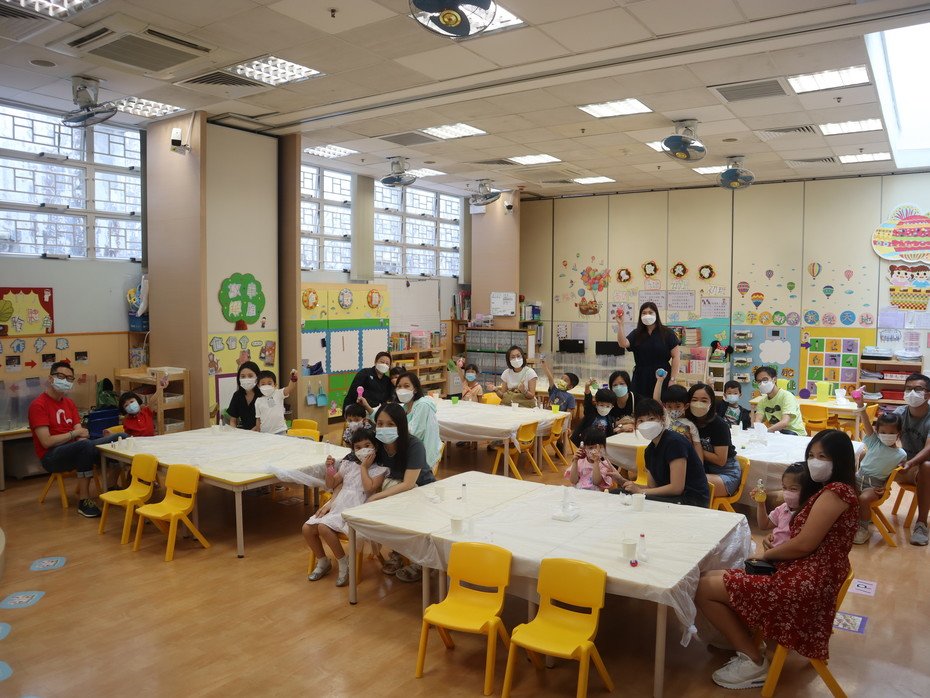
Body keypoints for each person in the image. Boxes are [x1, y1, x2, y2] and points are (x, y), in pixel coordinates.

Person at [695, 430, 858, 690]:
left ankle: (753, 660)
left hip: (807, 583)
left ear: (840, 460)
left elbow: (805, 543)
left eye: (823, 456)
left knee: (703, 588)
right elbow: (805, 538)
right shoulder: (829, 490)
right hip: (804, 572)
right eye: (812, 455)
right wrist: (777, 544)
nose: (815, 462)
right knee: (709, 578)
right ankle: (745, 643)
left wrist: (767, 554)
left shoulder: (836, 492)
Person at [28, 361, 123, 518]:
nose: (65, 381)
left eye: (69, 378)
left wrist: (79, 435)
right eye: (61, 376)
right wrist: (74, 434)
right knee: (84, 446)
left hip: (76, 448)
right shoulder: (38, 405)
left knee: (121, 438)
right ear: (51, 379)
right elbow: (47, 442)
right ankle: (84, 501)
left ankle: (111, 487)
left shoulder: (69, 403)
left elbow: (81, 433)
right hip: (51, 456)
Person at [303, 428, 388, 586]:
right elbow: (331, 484)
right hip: (340, 504)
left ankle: (343, 563)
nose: (363, 450)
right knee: (307, 528)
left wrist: (364, 467)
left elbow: (368, 488)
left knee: (323, 527)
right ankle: (323, 561)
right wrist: (329, 469)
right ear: (353, 449)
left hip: (358, 510)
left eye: (367, 445)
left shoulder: (379, 469)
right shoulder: (348, 464)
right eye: (358, 447)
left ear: (375, 446)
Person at [366, 403, 436, 582]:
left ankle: (421, 562)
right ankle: (398, 551)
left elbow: (408, 483)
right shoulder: (378, 446)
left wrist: (377, 496)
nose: (384, 428)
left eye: (390, 424)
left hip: (423, 491)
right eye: (380, 424)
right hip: (395, 492)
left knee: (407, 517)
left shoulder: (414, 445)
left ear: (401, 425)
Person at [606, 398, 709, 507]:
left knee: (632, 500)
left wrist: (640, 492)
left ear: (663, 419)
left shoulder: (675, 442)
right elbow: (652, 488)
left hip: (691, 500)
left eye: (651, 419)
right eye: (641, 421)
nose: (646, 424)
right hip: (671, 497)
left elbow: (677, 488)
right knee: (616, 493)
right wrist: (622, 481)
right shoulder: (649, 451)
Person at [852, 396, 906, 544]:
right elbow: (866, 422)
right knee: (841, 490)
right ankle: (850, 521)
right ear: (877, 432)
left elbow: (894, 473)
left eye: (891, 433)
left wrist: (886, 487)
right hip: (858, 478)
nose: (887, 436)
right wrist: (860, 405)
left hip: (875, 486)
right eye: (883, 432)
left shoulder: (901, 454)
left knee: (863, 499)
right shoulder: (874, 441)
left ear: (899, 433)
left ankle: (863, 528)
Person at [891, 372, 930, 545]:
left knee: (927, 466)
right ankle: (864, 514)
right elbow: (884, 437)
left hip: (923, 468)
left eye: (918, 389)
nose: (912, 393)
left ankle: (921, 524)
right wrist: (861, 408)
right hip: (906, 466)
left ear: (928, 394)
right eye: (908, 389)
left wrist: (911, 462)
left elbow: (929, 448)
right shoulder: (900, 412)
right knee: (863, 456)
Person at [615, 302, 681, 398]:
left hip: (662, 375)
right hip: (641, 376)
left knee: (660, 403)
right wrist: (620, 325)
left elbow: (676, 356)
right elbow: (623, 343)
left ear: (656, 314)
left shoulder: (667, 333)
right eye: (644, 313)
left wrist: (673, 379)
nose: (647, 315)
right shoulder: (637, 333)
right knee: (640, 403)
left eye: (650, 312)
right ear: (640, 316)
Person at [687, 383, 742, 497]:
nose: (698, 404)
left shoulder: (719, 425)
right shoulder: (688, 423)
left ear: (711, 403)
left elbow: (720, 460)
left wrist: (695, 448)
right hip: (704, 470)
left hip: (725, 474)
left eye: (704, 400)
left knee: (689, 482)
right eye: (694, 400)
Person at [750, 463, 804, 550]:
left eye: (793, 489)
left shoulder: (808, 514)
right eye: (784, 488)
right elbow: (764, 525)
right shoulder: (783, 508)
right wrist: (761, 503)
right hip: (773, 552)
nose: (787, 492)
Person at [394, 371, 441, 468]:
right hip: (411, 448)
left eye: (406, 386)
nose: (402, 390)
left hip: (422, 452)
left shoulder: (422, 405)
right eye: (399, 386)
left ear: (415, 389)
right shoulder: (405, 407)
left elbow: (416, 433)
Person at [653, 376, 702, 460]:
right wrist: (660, 380)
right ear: (665, 406)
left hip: (683, 457)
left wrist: (700, 465)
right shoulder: (665, 416)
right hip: (664, 456)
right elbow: (656, 400)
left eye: (678, 406)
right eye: (669, 406)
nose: (673, 410)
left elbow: (697, 445)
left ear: (686, 406)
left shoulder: (690, 425)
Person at [753, 366, 805, 436]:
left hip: (793, 432)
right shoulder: (762, 402)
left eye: (765, 379)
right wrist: (758, 429)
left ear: (774, 379)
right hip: (776, 432)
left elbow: (784, 422)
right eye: (759, 381)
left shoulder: (787, 396)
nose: (762, 384)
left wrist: (767, 431)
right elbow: (758, 420)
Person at [254, 369, 297, 435]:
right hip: (265, 433)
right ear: (258, 386)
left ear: (275, 384)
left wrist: (293, 378)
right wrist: (258, 433)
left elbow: (290, 388)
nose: (266, 386)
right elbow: (258, 419)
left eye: (269, 383)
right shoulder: (258, 401)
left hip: (280, 430)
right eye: (263, 384)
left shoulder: (278, 393)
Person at [226, 361, 261, 430]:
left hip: (263, 433)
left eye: (250, 376)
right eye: (243, 376)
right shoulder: (237, 395)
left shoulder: (262, 395)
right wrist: (233, 432)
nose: (246, 379)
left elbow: (265, 420)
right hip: (245, 433)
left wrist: (251, 433)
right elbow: (233, 420)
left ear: (257, 377)